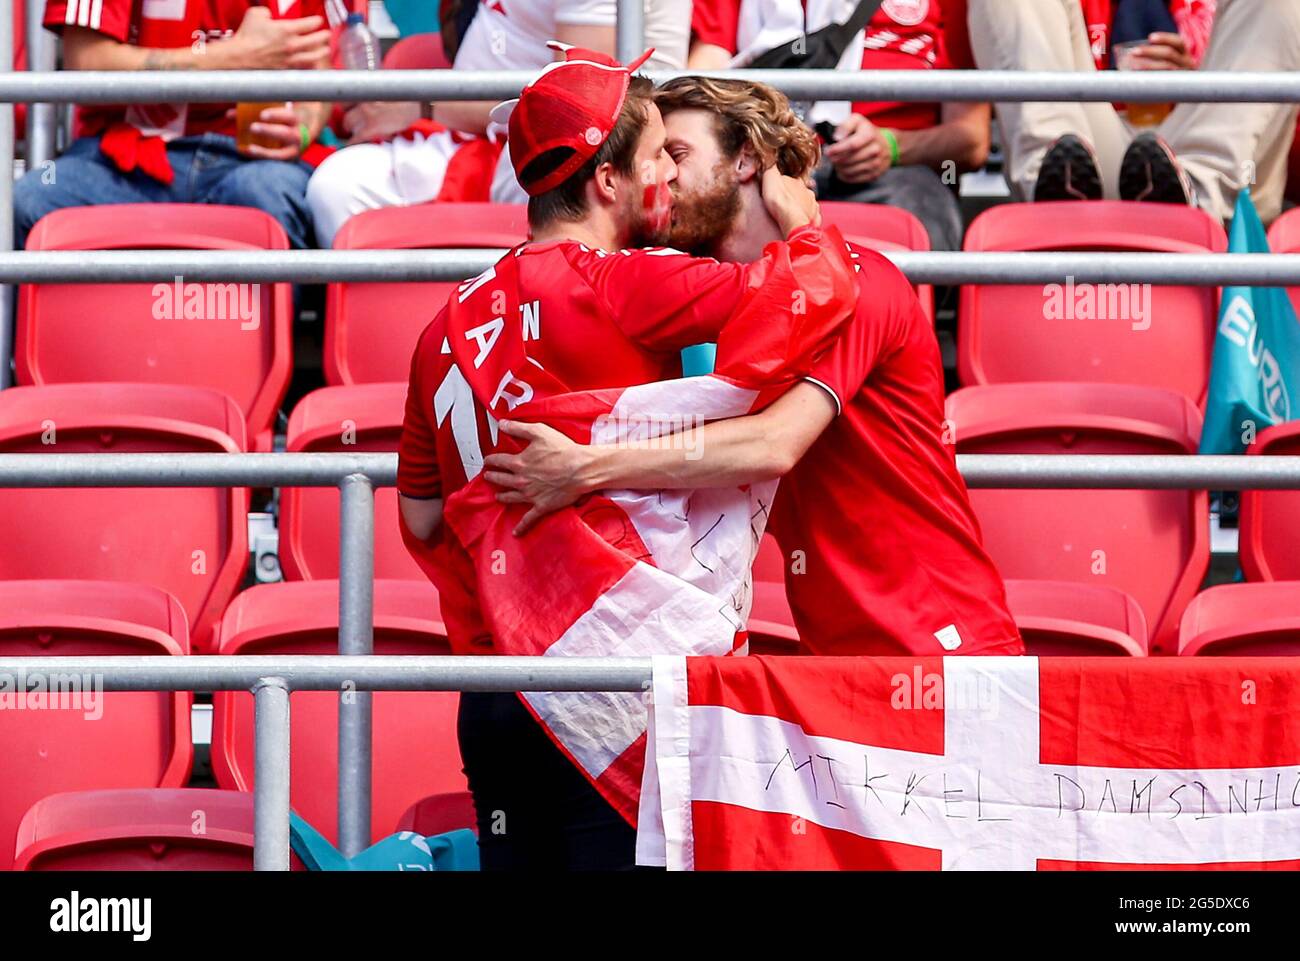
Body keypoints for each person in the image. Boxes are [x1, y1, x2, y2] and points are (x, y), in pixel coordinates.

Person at [397, 48, 857, 869]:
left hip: (496, 696)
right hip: (604, 686)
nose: (669, 186)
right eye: (656, 161)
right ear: (607, 182)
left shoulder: (441, 325)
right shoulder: (621, 280)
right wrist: (800, 211)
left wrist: (515, 566)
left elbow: (423, 517)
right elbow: (809, 291)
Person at [482, 75, 1025, 659]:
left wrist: (586, 467)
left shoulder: (856, 278)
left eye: (678, 154)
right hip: (832, 649)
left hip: (944, 638)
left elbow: (774, 444)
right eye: (654, 155)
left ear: (746, 161)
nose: (660, 173)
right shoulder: (701, 309)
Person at [305, 0, 691, 247]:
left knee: (570, 198)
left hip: (554, 149)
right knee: (337, 188)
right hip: (469, 138)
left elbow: (579, 97)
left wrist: (422, 105)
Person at [14, 0, 336, 250]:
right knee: (29, 201)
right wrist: (233, 57)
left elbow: (320, 67)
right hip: (121, 159)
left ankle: (264, 336)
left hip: (251, 160)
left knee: (270, 195)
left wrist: (304, 124)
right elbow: (86, 65)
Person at [689, 0, 991, 251]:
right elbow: (701, 83)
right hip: (765, 161)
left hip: (896, 175)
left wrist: (893, 146)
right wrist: (764, 145)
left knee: (920, 217)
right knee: (708, 206)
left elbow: (972, 140)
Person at [968, 0, 1300, 225]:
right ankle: (1057, 184)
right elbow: (966, 133)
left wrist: (1204, 84)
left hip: (1219, 170)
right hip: (1092, 155)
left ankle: (1195, 196)